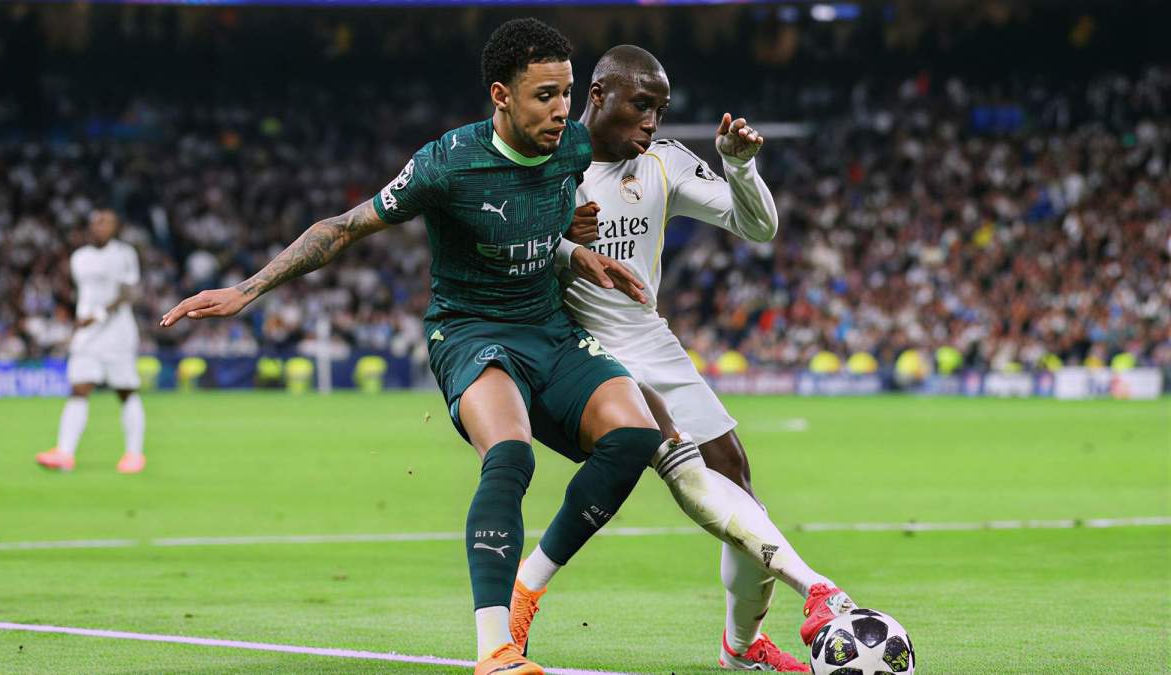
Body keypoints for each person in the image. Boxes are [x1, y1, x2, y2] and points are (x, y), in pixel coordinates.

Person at [160, 20, 665, 675]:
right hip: (471, 331)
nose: (562, 110)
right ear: (500, 95)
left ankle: (528, 586)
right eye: (545, 95)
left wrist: (574, 249)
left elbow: (549, 215)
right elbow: (344, 227)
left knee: (635, 437)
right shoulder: (447, 163)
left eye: (567, 93)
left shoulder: (571, 147)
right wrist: (246, 290)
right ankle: (495, 649)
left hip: (549, 328)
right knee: (510, 455)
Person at [509, 46, 855, 671]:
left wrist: (739, 167)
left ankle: (741, 647)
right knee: (675, 463)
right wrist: (560, 246)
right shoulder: (550, 163)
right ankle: (817, 590)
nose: (652, 122)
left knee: (736, 478)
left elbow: (758, 228)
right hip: (580, 347)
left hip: (650, 340)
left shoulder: (664, 164)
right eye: (641, 105)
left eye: (661, 110)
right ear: (598, 95)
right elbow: (504, 251)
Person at [36, 209, 147, 474]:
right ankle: (65, 453)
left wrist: (96, 315)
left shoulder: (124, 254)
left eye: (106, 223)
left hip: (118, 333)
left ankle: (134, 455)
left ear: (115, 227)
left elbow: (129, 294)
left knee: (125, 391)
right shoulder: (80, 257)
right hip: (87, 335)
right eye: (96, 223)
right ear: (89, 227)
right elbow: (84, 293)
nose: (100, 227)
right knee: (79, 389)